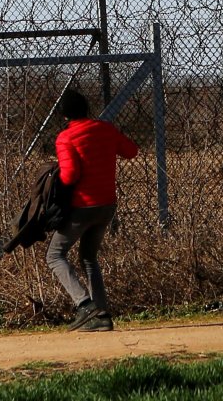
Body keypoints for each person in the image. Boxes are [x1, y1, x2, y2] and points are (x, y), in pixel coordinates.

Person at [45, 89, 139, 332]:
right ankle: (102, 314)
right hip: (107, 205)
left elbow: (70, 175)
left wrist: (56, 180)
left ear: (64, 115)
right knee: (89, 257)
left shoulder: (66, 138)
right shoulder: (105, 129)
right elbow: (131, 151)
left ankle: (85, 305)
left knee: (55, 255)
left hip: (82, 206)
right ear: (86, 109)